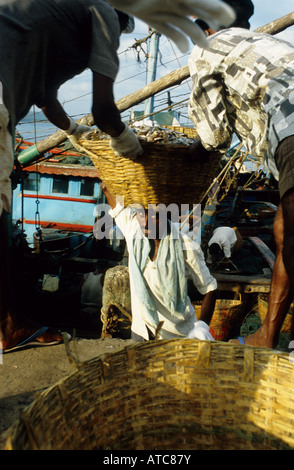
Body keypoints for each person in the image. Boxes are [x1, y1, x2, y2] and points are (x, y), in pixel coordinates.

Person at [0, 0, 235, 352]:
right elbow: (104, 110)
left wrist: (76, 131)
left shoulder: (52, 15)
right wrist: (127, 143)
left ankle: (8, 325)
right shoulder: (103, 12)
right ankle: (8, 327)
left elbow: (47, 99)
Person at [188, 0, 294, 347]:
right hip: (285, 136)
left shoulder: (206, 48)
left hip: (291, 126)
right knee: (283, 230)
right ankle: (268, 334)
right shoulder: (269, 46)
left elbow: (214, 136)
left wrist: (189, 154)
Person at [101, 182, 217, 342]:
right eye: (142, 214)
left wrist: (202, 326)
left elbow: (209, 288)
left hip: (177, 337)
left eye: (154, 215)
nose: (146, 221)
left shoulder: (186, 246)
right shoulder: (134, 231)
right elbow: (112, 198)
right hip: (141, 334)